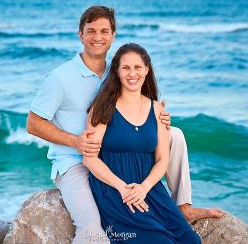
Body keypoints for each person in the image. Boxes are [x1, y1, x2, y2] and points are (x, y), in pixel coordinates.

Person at [27, 6, 223, 244]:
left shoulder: (117, 70)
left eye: (104, 31)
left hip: (116, 148)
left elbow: (135, 104)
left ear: (113, 35)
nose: (97, 37)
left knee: (176, 135)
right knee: (92, 232)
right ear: (80, 34)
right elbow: (33, 123)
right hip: (75, 161)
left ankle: (183, 206)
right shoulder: (60, 78)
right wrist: (76, 141)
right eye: (91, 31)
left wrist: (158, 118)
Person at [84, 43, 201, 244]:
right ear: (117, 72)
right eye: (126, 68)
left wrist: (144, 187)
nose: (132, 74)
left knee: (190, 240)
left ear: (146, 70)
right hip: (114, 189)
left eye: (138, 67)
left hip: (149, 189)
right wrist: (124, 189)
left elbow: (163, 160)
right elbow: (90, 159)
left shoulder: (157, 110)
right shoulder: (103, 108)